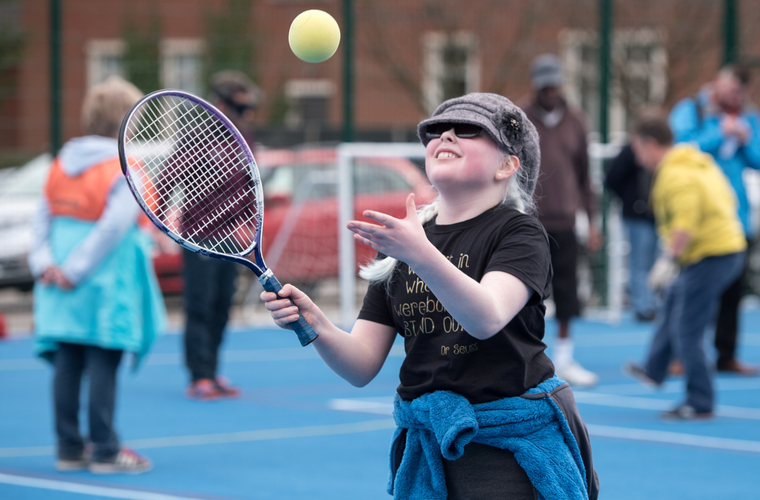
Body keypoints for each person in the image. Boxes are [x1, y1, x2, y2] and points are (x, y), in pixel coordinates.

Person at [262, 93, 599, 500]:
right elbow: (360, 366)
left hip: (506, 445)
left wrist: (419, 253)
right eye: (437, 131)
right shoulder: (402, 244)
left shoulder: (518, 233)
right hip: (429, 441)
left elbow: (486, 317)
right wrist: (313, 322)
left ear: (508, 164)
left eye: (470, 130)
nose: (447, 136)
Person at [28, 76, 166, 473]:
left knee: (68, 361)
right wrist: (75, 270)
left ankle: (69, 448)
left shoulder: (61, 162)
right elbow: (113, 228)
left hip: (59, 283)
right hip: (104, 283)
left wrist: (45, 265)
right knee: (105, 360)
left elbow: (43, 218)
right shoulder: (123, 167)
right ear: (126, 119)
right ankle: (106, 449)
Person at [625, 111, 746, 420]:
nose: (639, 160)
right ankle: (655, 368)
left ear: (651, 144)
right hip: (723, 248)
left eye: (639, 151)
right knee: (676, 300)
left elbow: (685, 222)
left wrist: (667, 260)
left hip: (711, 254)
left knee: (687, 327)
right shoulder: (694, 160)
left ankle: (700, 400)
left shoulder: (675, 173)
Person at [668, 65, 760, 376]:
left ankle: (726, 354)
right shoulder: (691, 110)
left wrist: (746, 139)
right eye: (731, 90)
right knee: (693, 293)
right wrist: (718, 132)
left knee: (733, 294)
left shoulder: (747, 115)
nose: (735, 97)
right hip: (698, 220)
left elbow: (758, 159)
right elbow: (680, 149)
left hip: (736, 219)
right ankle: (682, 355)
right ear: (718, 84)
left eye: (740, 93)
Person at [519, 54, 601, 387]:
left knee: (567, 293)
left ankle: (564, 359)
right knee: (523, 293)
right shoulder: (519, 118)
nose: (550, 90)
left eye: (554, 83)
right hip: (527, 220)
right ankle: (523, 358)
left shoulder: (577, 121)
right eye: (544, 84)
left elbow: (585, 176)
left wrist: (593, 222)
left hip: (566, 221)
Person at [182, 70, 262, 400]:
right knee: (200, 305)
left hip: (231, 240)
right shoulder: (196, 139)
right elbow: (167, 183)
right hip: (197, 236)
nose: (246, 116)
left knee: (221, 306)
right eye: (239, 109)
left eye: (248, 109)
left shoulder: (245, 140)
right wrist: (163, 227)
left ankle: (213, 371)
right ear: (220, 104)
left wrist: (250, 225)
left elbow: (251, 189)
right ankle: (198, 375)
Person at [604, 144, 659, 322]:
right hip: (637, 216)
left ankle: (650, 302)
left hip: (655, 216)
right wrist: (631, 200)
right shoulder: (630, 151)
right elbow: (612, 179)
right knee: (639, 262)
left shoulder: (656, 150)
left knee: (651, 262)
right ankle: (644, 306)